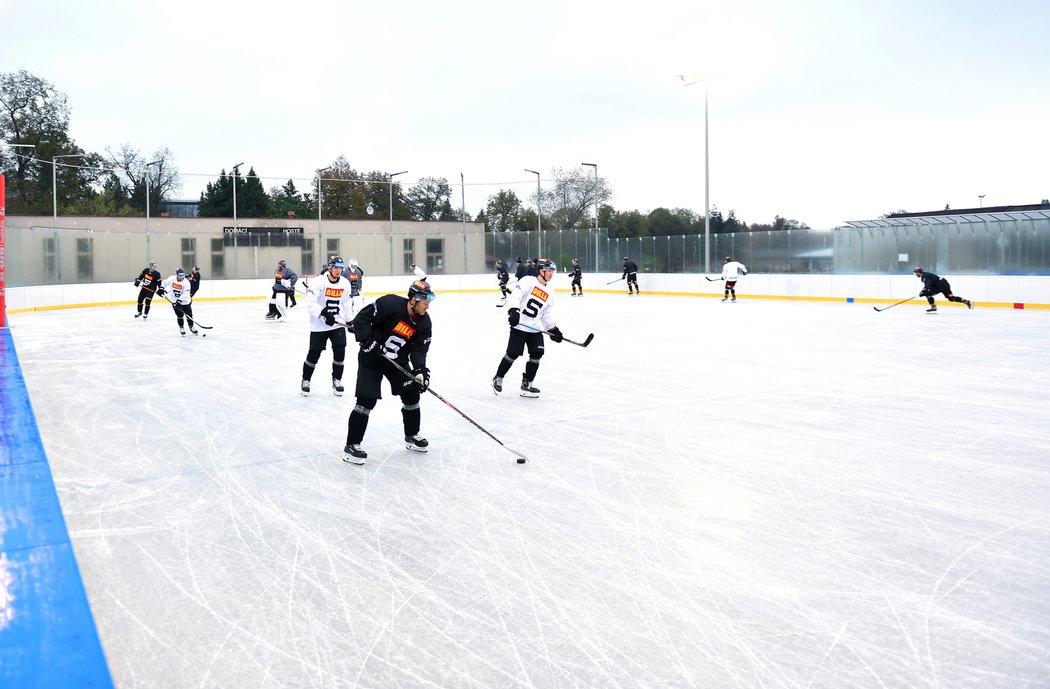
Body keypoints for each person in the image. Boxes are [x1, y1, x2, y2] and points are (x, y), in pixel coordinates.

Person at [343, 280, 436, 464]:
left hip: (397, 361)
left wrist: (420, 371)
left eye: (429, 301)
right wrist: (367, 340)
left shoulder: (424, 322)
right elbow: (362, 319)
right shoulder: (390, 304)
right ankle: (352, 445)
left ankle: (412, 435)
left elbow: (419, 350)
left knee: (412, 395)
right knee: (366, 401)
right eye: (425, 301)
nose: (428, 305)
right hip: (372, 359)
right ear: (413, 300)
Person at [491, 258, 564, 398]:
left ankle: (527, 384)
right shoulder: (528, 281)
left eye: (553, 271)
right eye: (549, 270)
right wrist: (514, 311)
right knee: (512, 354)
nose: (551, 273)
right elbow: (515, 296)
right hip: (519, 325)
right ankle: (498, 378)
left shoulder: (550, 291)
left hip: (535, 328)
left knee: (537, 355)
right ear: (541, 270)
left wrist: (554, 330)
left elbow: (546, 314)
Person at [301, 256, 354, 397]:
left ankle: (337, 380)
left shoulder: (345, 283)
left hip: (337, 324)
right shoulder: (319, 282)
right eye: (336, 267)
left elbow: (347, 305)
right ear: (330, 268)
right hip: (319, 325)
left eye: (341, 268)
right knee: (314, 354)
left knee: (340, 351)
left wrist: (350, 321)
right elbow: (310, 304)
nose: (338, 271)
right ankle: (306, 379)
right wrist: (323, 313)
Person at [160, 268, 199, 336]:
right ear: (177, 275)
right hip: (174, 300)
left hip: (185, 301)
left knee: (189, 315)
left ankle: (191, 326)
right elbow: (164, 282)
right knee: (179, 315)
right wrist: (162, 288)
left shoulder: (186, 282)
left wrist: (178, 301)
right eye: (180, 275)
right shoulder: (172, 278)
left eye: (183, 275)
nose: (181, 277)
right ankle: (181, 327)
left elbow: (186, 294)